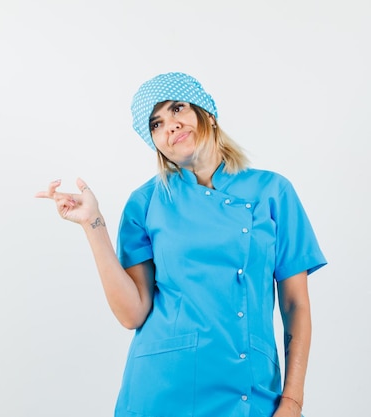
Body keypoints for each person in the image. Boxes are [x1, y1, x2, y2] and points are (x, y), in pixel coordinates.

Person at [36, 72, 326, 417]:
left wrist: (292, 400)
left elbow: (296, 305)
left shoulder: (273, 192)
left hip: (249, 386)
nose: (170, 126)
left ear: (208, 113)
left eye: (177, 108)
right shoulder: (144, 203)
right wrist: (93, 225)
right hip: (160, 389)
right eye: (156, 124)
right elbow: (132, 314)